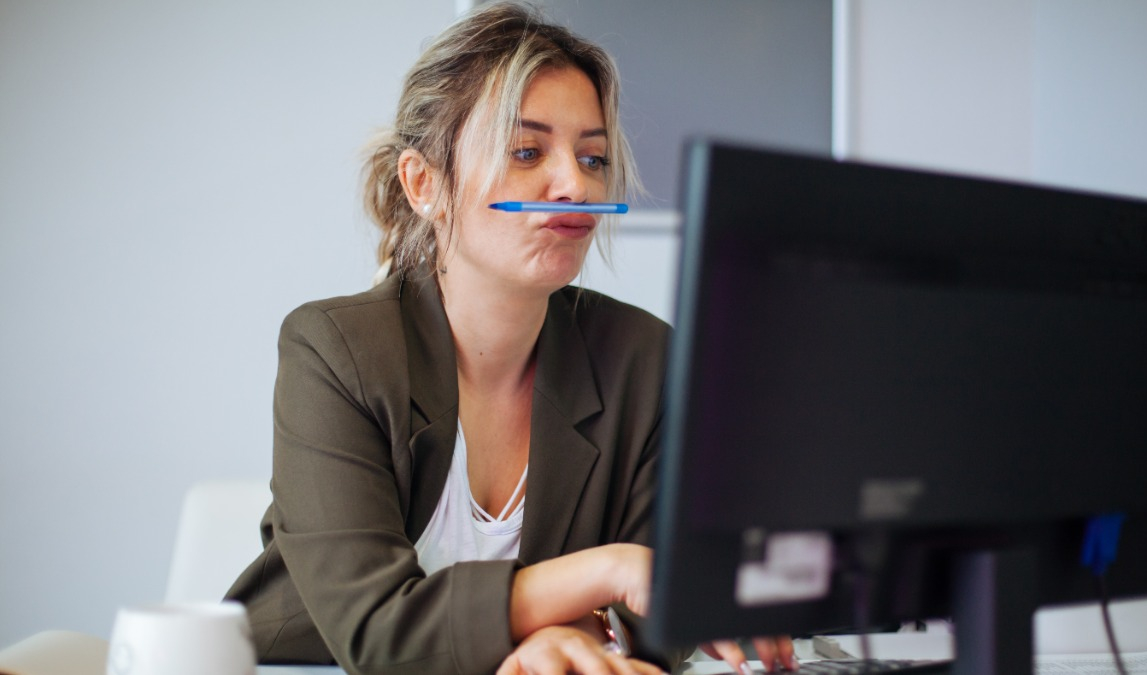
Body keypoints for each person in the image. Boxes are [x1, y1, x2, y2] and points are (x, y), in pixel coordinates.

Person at [227, 3, 796, 674]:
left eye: (594, 157)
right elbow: (377, 628)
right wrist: (606, 573)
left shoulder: (645, 359)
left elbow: (657, 615)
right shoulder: (333, 349)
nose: (575, 185)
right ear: (423, 184)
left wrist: (578, 637)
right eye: (527, 151)